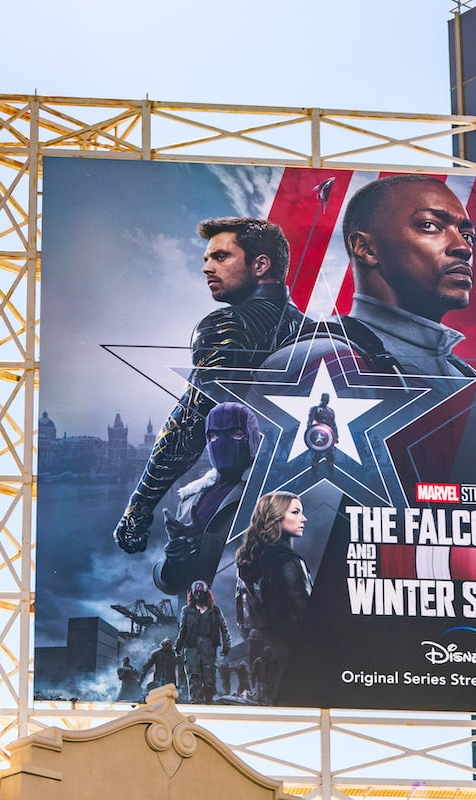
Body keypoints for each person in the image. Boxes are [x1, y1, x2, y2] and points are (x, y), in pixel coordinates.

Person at [114, 217, 307, 554]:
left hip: (244, 504)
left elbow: (192, 422)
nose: (206, 268)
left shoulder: (227, 324)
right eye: (206, 259)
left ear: (261, 265)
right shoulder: (314, 329)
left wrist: (139, 507)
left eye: (220, 257)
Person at [263, 175, 476, 379]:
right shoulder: (325, 360)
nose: (463, 247)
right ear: (365, 248)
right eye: (429, 225)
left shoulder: (459, 371)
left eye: (467, 236)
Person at [150, 401, 260, 594]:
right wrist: (174, 560)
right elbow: (169, 584)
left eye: (236, 433)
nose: (222, 443)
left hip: (244, 615)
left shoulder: (265, 495)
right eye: (214, 435)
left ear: (253, 438)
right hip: (195, 616)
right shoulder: (191, 498)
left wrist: (202, 541)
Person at [234, 492, 313, 703]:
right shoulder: (290, 562)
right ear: (276, 517)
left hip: (257, 649)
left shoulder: (247, 561)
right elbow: (305, 618)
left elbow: (241, 617)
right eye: (295, 512)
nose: (303, 518)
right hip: (288, 655)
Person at [175, 580, 232, 704]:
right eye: (196, 593)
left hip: (208, 645)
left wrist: (226, 646)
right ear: (193, 594)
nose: (199, 595)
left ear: (206, 593)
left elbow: (224, 628)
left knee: (209, 676)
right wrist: (178, 647)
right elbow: (183, 629)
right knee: (193, 675)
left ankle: (208, 701)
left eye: (201, 592)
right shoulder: (186, 610)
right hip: (191, 646)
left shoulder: (215, 610)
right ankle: (196, 701)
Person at [305, 393, 338, 478]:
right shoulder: (315, 409)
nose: (326, 400)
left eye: (327, 398)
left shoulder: (331, 411)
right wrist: (310, 434)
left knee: (330, 457)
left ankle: (331, 476)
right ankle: (314, 475)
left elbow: (333, 424)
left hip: (329, 437)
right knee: (316, 457)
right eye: (325, 398)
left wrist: (336, 436)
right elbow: (310, 421)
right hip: (318, 436)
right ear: (322, 399)